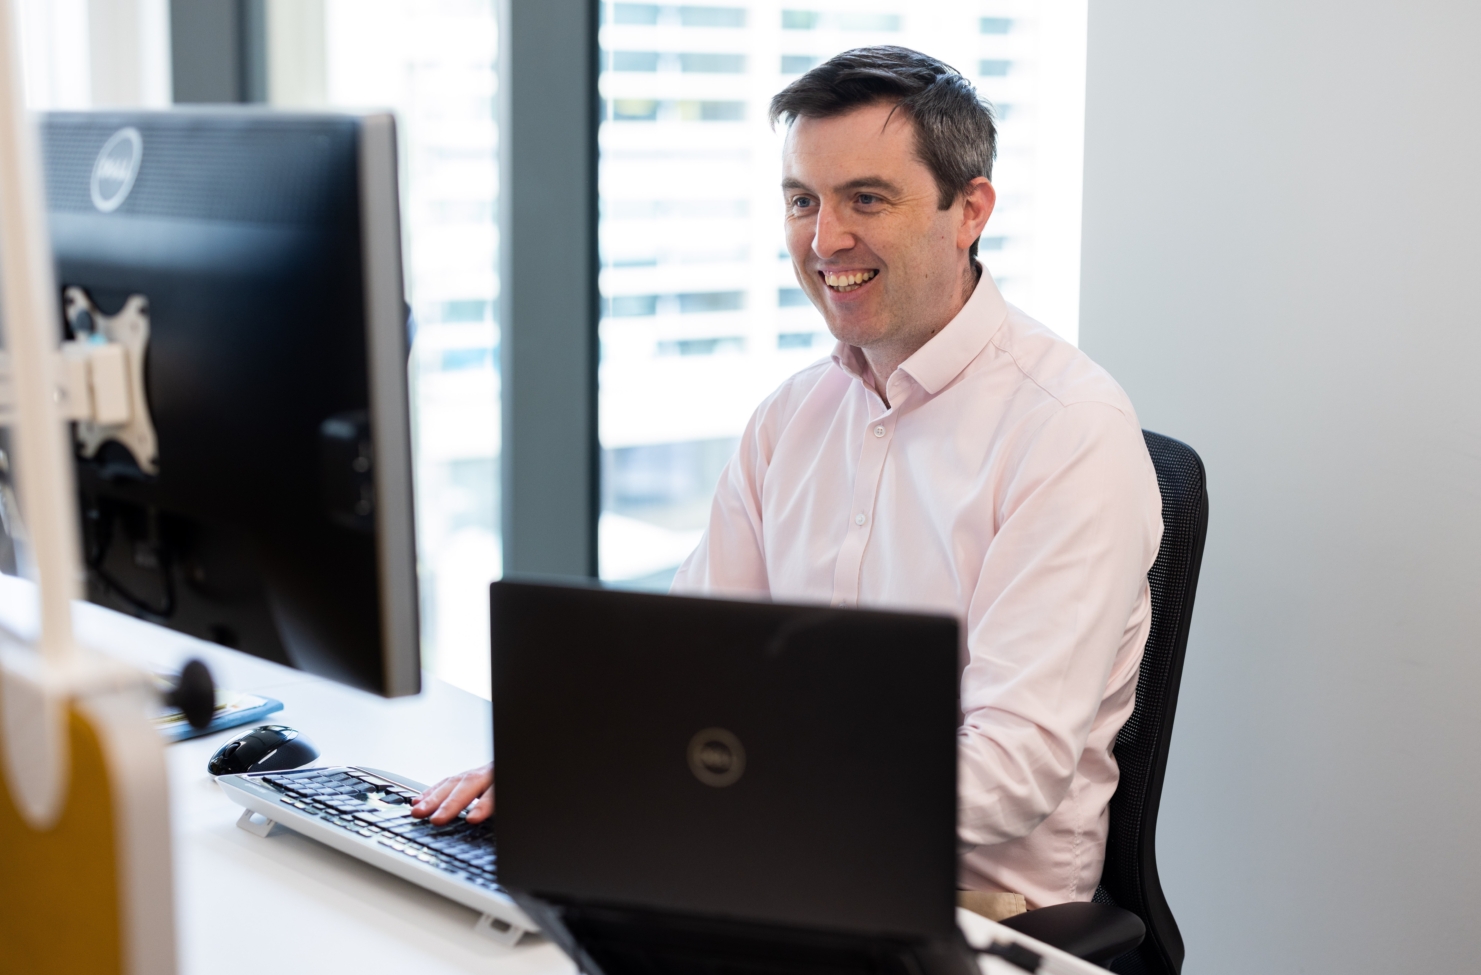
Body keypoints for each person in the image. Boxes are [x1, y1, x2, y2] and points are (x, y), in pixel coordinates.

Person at [412, 46, 1162, 913]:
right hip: (766, 863)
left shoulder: (1067, 432)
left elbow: (1008, 773)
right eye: (803, 200)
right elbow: (687, 660)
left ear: (971, 210)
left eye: (867, 199)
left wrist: (745, 780)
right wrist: (572, 759)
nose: (825, 239)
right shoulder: (792, 417)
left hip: (971, 910)